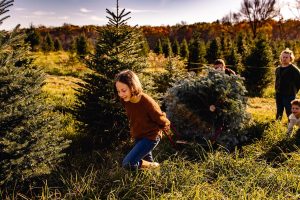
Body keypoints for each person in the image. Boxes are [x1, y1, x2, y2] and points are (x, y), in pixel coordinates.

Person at [115, 69, 170, 170]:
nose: (121, 94)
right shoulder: (125, 100)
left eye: (123, 90)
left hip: (150, 136)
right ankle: (153, 172)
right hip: (138, 135)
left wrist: (165, 124)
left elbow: (160, 117)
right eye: (118, 91)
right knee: (147, 164)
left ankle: (154, 166)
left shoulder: (147, 102)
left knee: (128, 163)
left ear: (133, 87)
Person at [275, 48, 300, 120]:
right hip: (279, 94)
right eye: (283, 57)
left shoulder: (294, 69)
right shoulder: (278, 69)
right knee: (279, 111)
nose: (284, 59)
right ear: (281, 58)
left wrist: (294, 91)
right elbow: (277, 81)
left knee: (289, 112)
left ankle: (290, 127)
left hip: (289, 95)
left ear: (290, 58)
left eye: (286, 57)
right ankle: (277, 125)